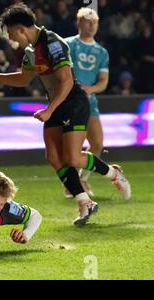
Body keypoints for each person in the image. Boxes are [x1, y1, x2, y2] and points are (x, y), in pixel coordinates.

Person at [0, 3, 131, 226]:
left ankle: (114, 173)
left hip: (73, 103)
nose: (12, 39)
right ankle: (84, 202)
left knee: (71, 157)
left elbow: (67, 81)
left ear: (21, 29)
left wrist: (50, 110)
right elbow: (23, 79)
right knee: (53, 157)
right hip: (57, 105)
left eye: (12, 34)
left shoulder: (52, 42)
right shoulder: (31, 52)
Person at [64, 8, 110, 198]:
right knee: (72, 148)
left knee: (97, 143)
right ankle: (71, 185)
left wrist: (89, 89)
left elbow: (103, 82)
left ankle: (82, 179)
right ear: (79, 23)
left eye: (95, 22)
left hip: (90, 103)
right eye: (88, 21)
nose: (92, 25)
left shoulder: (102, 52)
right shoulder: (68, 45)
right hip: (70, 102)